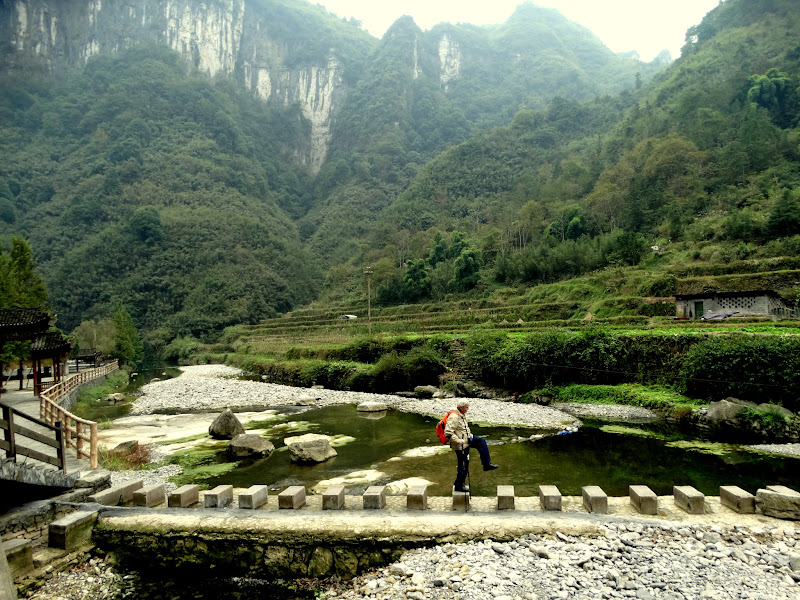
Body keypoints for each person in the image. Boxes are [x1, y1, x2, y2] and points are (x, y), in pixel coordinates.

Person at [444, 399, 498, 493]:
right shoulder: (454, 417)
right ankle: (459, 485)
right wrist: (458, 440)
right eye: (466, 407)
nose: (468, 409)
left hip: (468, 439)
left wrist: (470, 436)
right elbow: (448, 433)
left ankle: (486, 464)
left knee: (481, 441)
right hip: (461, 445)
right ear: (461, 407)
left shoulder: (461, 414)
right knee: (463, 465)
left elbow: (463, 429)